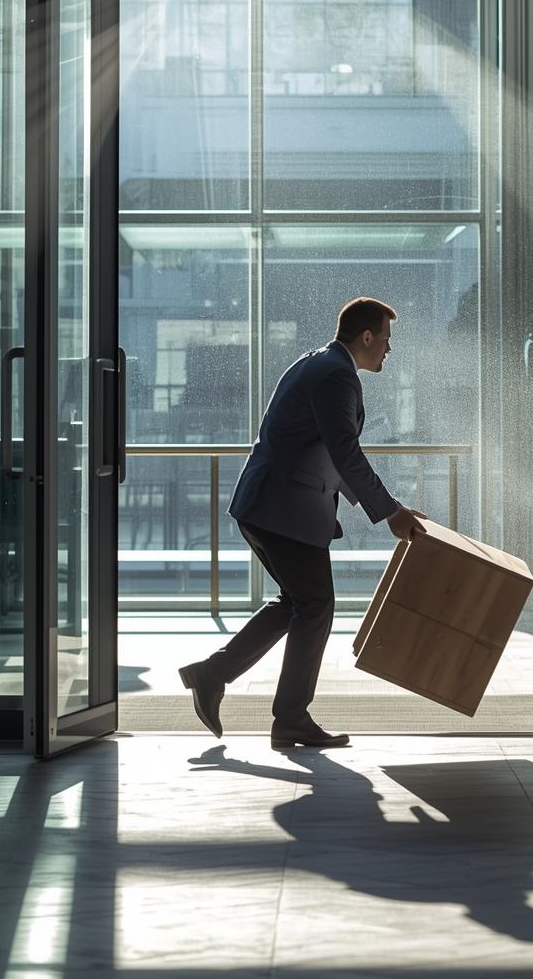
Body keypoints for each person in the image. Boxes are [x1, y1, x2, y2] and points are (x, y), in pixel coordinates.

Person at [179, 297, 427, 749]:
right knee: (315, 606)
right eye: (386, 338)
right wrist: (391, 512)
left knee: (297, 603)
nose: (389, 349)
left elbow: (327, 450)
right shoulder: (337, 375)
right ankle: (289, 717)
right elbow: (345, 452)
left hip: (267, 506)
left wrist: (389, 506)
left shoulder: (319, 362)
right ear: (366, 336)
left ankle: (213, 675)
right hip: (283, 510)